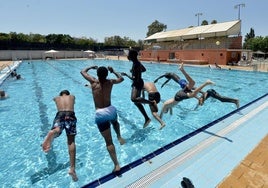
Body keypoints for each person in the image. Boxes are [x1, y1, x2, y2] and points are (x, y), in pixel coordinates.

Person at [80, 65, 125, 175]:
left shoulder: (93, 82)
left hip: (100, 113)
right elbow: (121, 78)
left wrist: (91, 67)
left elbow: (82, 71)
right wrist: (113, 70)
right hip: (111, 109)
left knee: (109, 142)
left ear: (97, 74)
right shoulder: (110, 82)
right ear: (106, 74)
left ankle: (116, 165)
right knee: (115, 122)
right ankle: (119, 136)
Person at [42, 90, 78, 182]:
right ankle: (72, 168)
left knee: (57, 130)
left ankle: (54, 131)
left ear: (60, 94)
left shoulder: (57, 98)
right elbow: (74, 100)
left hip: (60, 114)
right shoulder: (72, 96)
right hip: (70, 114)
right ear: (68, 94)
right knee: (71, 141)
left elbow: (53, 99)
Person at [121, 49, 154, 127]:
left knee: (133, 99)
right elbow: (144, 69)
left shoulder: (136, 64)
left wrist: (127, 75)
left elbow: (134, 79)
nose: (127, 56)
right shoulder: (137, 62)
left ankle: (152, 103)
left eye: (128, 55)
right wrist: (135, 71)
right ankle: (147, 118)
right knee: (137, 102)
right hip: (139, 82)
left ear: (131, 56)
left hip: (137, 84)